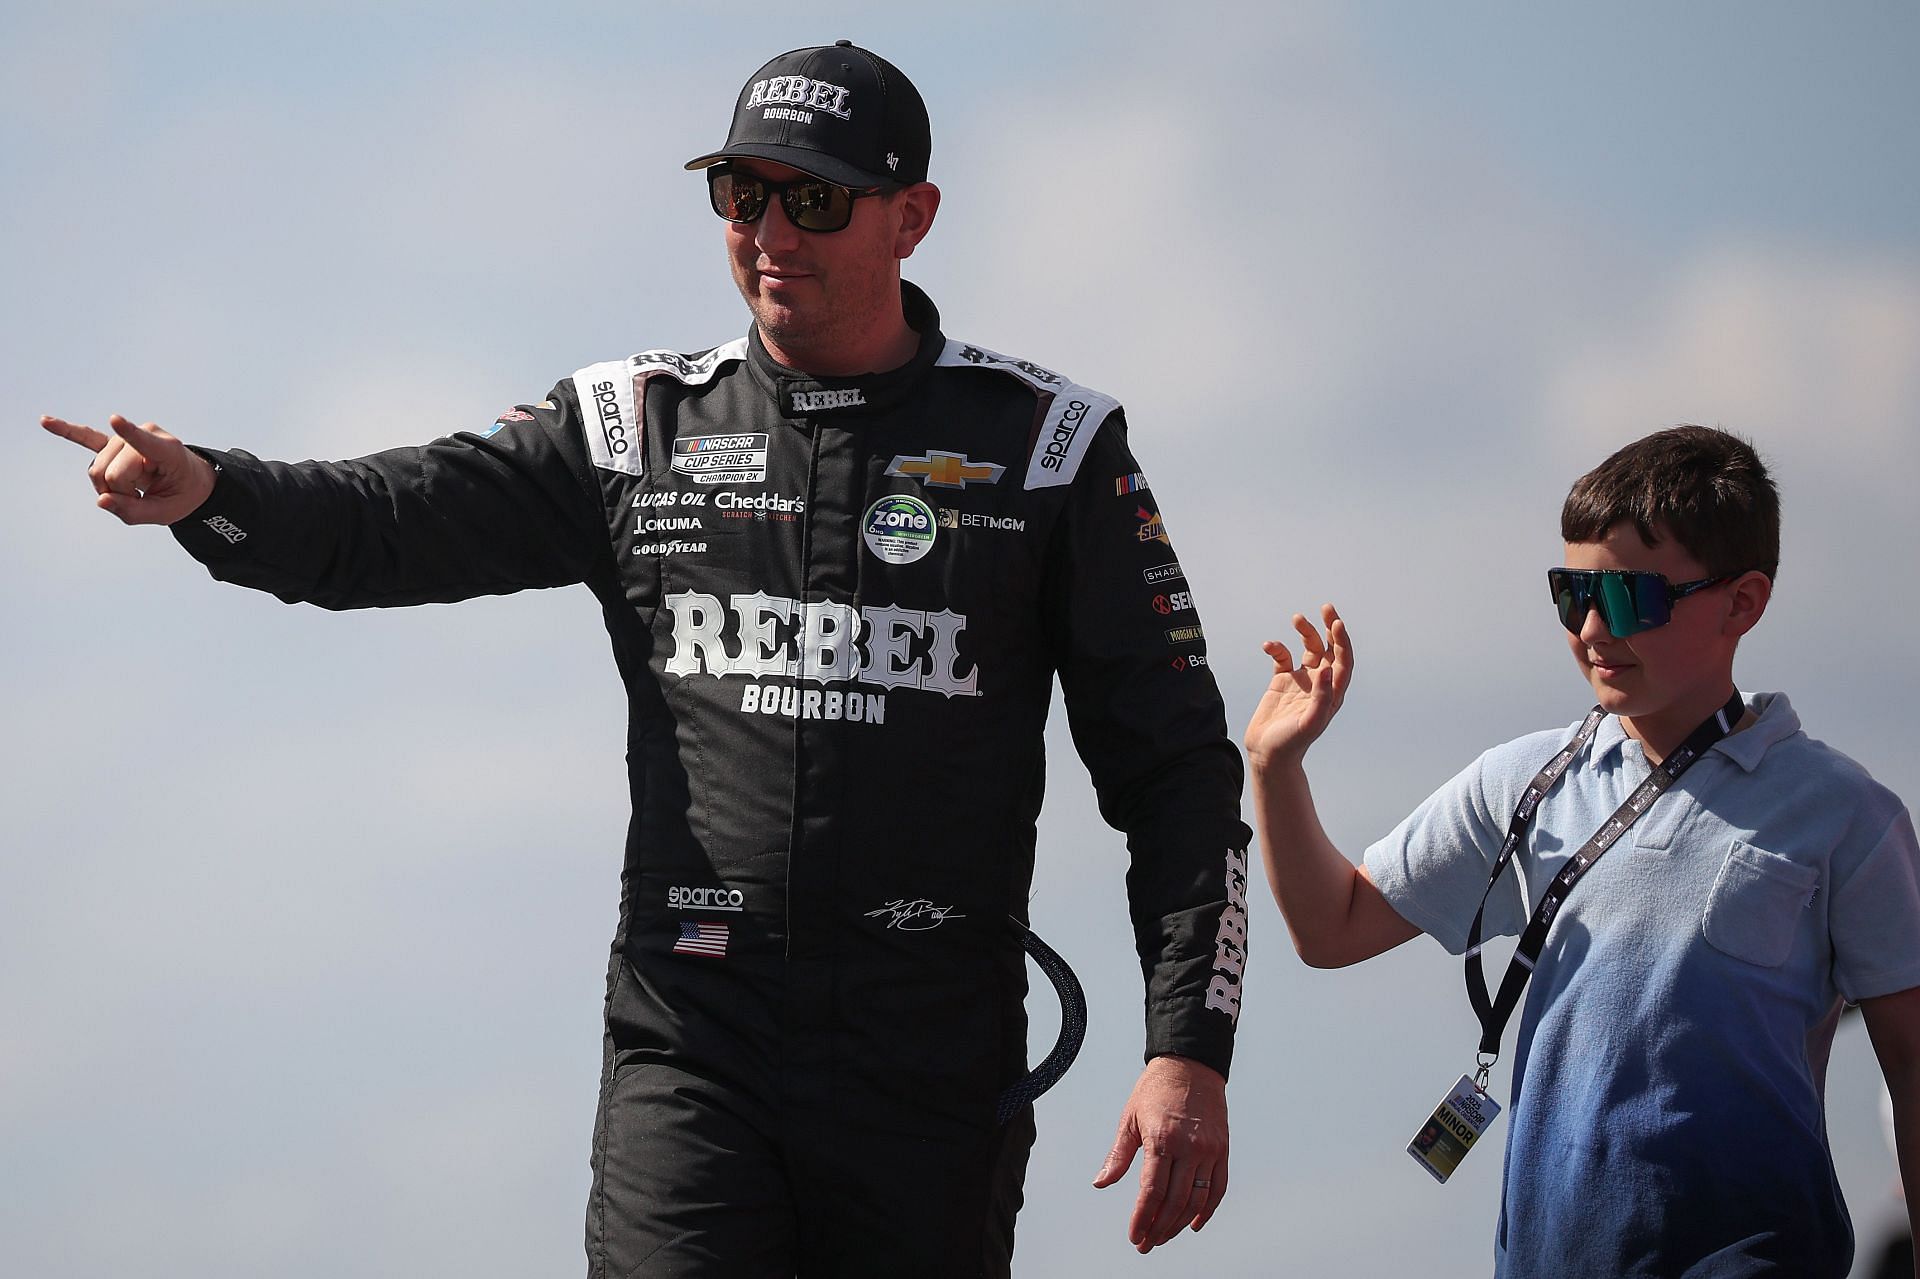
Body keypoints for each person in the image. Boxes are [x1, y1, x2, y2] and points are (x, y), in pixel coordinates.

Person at [41, 39, 1251, 1278]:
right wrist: (210, 491)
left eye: (816, 199)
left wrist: (1188, 1045)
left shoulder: (1052, 445)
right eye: (743, 193)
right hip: (695, 1047)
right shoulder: (635, 426)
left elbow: (1179, 774)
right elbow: (383, 524)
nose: (772, 230)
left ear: (912, 218)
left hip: (929, 1062)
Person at [1244, 425, 1920, 1276]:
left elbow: (1911, 1063)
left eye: (1634, 596)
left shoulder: (1844, 814)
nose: (1595, 628)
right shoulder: (1524, 779)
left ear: (1743, 602)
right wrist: (1275, 766)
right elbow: (1331, 926)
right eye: (1573, 594)